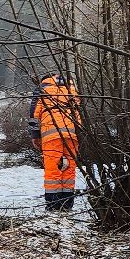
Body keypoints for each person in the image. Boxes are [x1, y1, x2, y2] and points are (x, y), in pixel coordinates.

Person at [29, 72, 81, 211]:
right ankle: (67, 204)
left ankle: (53, 204)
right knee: (69, 169)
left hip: (51, 135)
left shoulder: (42, 89)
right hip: (72, 133)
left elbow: (34, 115)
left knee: (53, 170)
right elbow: (78, 112)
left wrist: (35, 135)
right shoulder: (72, 89)